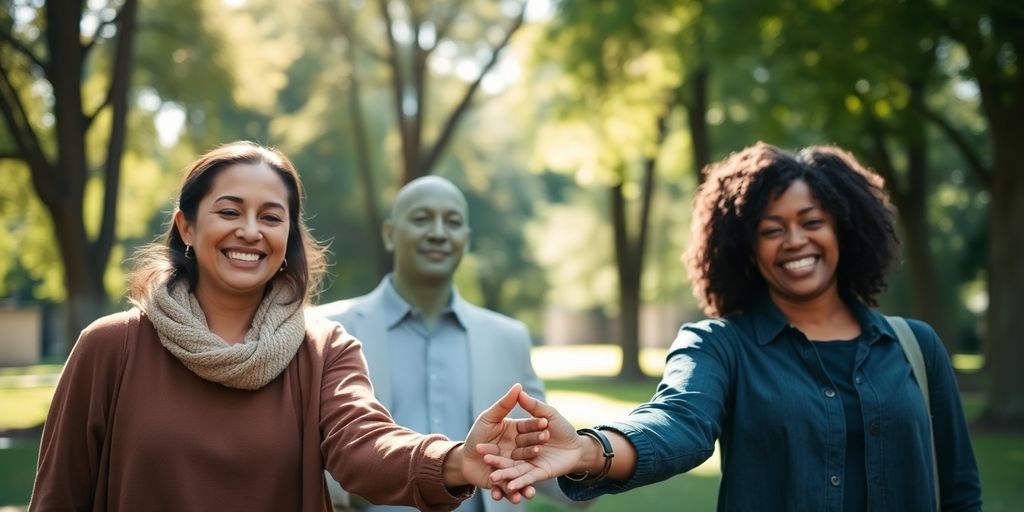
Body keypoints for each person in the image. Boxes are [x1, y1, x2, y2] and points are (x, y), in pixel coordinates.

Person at [28, 141, 546, 512]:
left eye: (272, 217)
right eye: (229, 211)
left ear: (288, 237)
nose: (250, 232)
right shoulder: (111, 346)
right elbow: (58, 497)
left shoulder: (323, 348)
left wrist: (455, 459)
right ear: (187, 225)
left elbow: (363, 446)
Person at [489, 142, 983, 511]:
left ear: (845, 229)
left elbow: (960, 489)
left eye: (812, 221)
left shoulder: (916, 346)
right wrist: (587, 449)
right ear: (745, 249)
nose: (795, 241)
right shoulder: (718, 345)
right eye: (771, 229)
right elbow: (677, 423)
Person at [315, 175, 582, 512]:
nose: (439, 232)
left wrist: (596, 464)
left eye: (452, 222)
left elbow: (538, 454)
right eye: (421, 218)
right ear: (389, 234)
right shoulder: (327, 329)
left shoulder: (509, 338)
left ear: (466, 240)